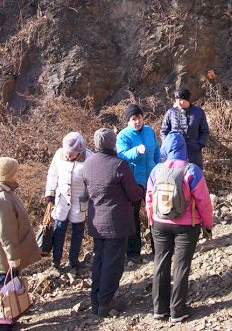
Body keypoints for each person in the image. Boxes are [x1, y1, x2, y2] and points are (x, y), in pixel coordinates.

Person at [146, 132, 214, 324]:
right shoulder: (192, 170)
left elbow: (149, 198)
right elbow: (204, 202)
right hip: (187, 225)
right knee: (181, 266)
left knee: (160, 262)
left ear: (165, 148)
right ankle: (177, 311)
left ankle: (159, 309)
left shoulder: (156, 170)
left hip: (159, 223)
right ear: (183, 148)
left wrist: (151, 220)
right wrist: (207, 225)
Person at [82, 128, 142, 317]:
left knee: (99, 260)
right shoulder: (119, 165)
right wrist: (141, 188)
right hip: (116, 222)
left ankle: (96, 300)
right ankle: (105, 302)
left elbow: (86, 193)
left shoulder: (87, 164)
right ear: (113, 144)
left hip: (95, 221)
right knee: (113, 263)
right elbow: (134, 194)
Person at [0, 157, 41, 331]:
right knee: (3, 290)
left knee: (9, 287)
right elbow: (6, 233)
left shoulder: (3, 190)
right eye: (16, 172)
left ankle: (9, 318)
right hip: (5, 255)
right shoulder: (2, 199)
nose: (18, 175)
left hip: (6, 252)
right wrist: (13, 257)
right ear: (8, 175)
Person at [117, 103, 161, 263]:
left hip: (152, 178)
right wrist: (135, 151)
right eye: (134, 119)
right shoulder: (123, 135)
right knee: (133, 215)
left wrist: (158, 165)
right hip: (134, 181)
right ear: (128, 121)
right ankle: (133, 252)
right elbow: (121, 154)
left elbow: (156, 150)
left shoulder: (149, 132)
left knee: (155, 213)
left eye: (140, 118)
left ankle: (158, 248)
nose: (137, 122)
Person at [45, 132, 90, 273]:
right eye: (67, 153)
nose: (68, 156)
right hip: (62, 199)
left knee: (78, 232)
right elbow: (52, 174)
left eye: (72, 154)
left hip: (80, 200)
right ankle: (56, 260)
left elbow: (93, 181)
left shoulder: (90, 157)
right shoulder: (59, 154)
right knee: (59, 230)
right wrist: (50, 194)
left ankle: (74, 259)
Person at [160, 88, 209, 168]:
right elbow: (164, 131)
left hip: (194, 154)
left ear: (187, 100)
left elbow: (204, 131)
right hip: (175, 153)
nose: (178, 102)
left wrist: (199, 145)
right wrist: (168, 145)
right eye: (176, 100)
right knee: (176, 177)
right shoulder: (171, 112)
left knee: (194, 176)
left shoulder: (199, 112)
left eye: (181, 100)